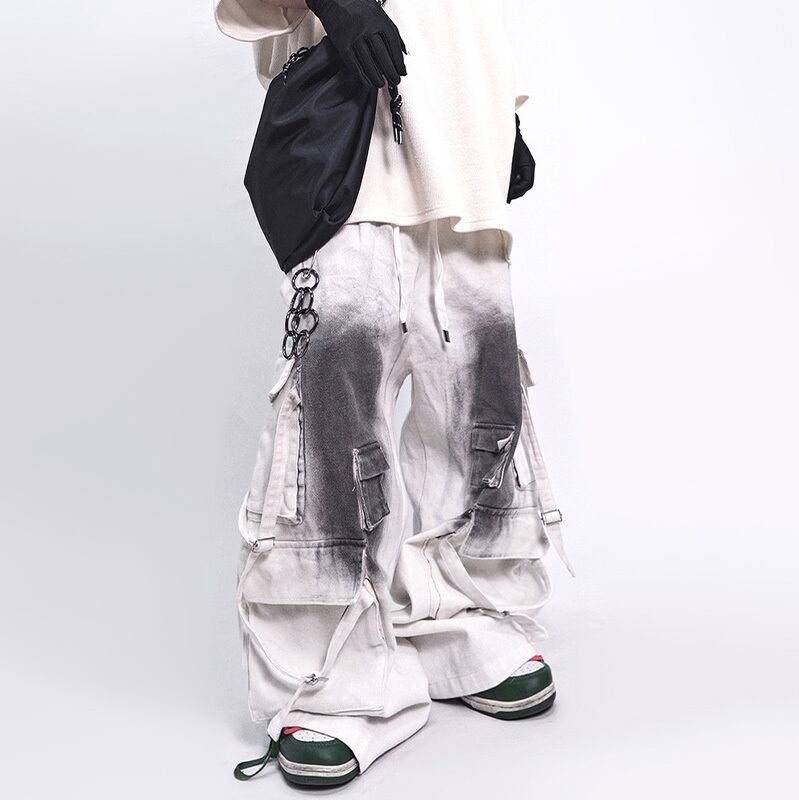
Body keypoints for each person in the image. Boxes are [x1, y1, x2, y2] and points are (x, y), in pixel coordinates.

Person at [215, 0, 572, 787]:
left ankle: (461, 622)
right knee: (335, 407)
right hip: (353, 134)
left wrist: (496, 108)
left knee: (475, 393)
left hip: (463, 134)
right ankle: (330, 676)